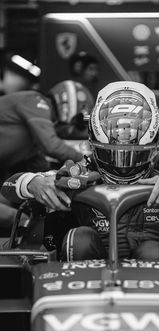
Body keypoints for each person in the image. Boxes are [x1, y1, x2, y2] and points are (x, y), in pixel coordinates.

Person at [1, 81, 159, 260]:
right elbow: (9, 187)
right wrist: (34, 183)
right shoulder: (80, 171)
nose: (123, 165)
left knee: (154, 252)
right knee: (78, 240)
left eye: (135, 153)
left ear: (155, 147)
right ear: (93, 147)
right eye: (111, 152)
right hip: (86, 277)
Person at [0, 79, 93, 233]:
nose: (71, 130)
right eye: (77, 122)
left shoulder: (33, 141)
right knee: (22, 219)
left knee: (16, 208)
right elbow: (52, 146)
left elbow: (42, 169)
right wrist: (89, 159)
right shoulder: (34, 101)